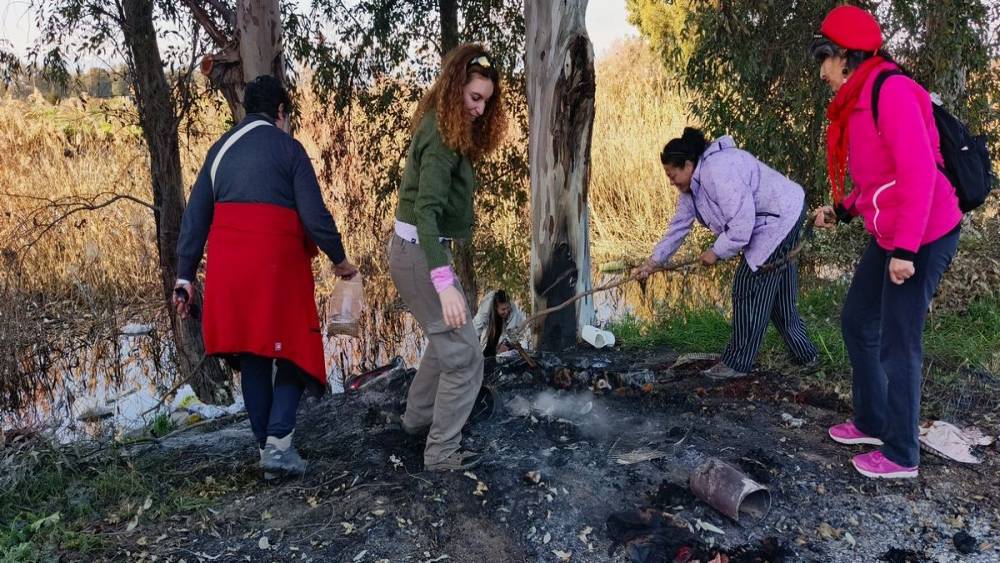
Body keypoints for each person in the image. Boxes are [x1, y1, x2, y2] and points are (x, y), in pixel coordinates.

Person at [173, 75, 358, 478]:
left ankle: (267, 448)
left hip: (229, 269)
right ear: (281, 112)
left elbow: (196, 217)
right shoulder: (289, 149)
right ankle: (278, 444)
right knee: (295, 349)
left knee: (252, 352)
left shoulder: (220, 150)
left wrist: (184, 276)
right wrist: (339, 259)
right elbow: (314, 216)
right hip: (278, 268)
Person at [810, 6, 961, 479]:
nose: (822, 72)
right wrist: (841, 209)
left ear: (845, 57)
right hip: (893, 231)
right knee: (858, 319)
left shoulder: (890, 91)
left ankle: (901, 454)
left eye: (824, 60)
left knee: (899, 341)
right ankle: (873, 422)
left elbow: (919, 175)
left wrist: (906, 251)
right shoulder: (859, 99)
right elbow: (879, 179)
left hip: (924, 233)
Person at [633, 127, 818, 379]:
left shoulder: (718, 171)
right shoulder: (692, 189)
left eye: (672, 175)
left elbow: (742, 225)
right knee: (778, 296)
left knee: (748, 288)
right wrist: (653, 262)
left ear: (688, 165)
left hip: (779, 219)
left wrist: (716, 251)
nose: (671, 182)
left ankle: (737, 364)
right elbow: (678, 228)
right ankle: (806, 355)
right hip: (781, 215)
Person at [473, 289, 527, 357]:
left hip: (502, 329)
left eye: (507, 308)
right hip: (490, 329)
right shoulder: (486, 309)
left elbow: (511, 328)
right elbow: (476, 328)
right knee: (487, 350)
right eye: (503, 309)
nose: (506, 311)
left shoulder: (512, 308)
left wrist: (511, 343)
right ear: (496, 307)